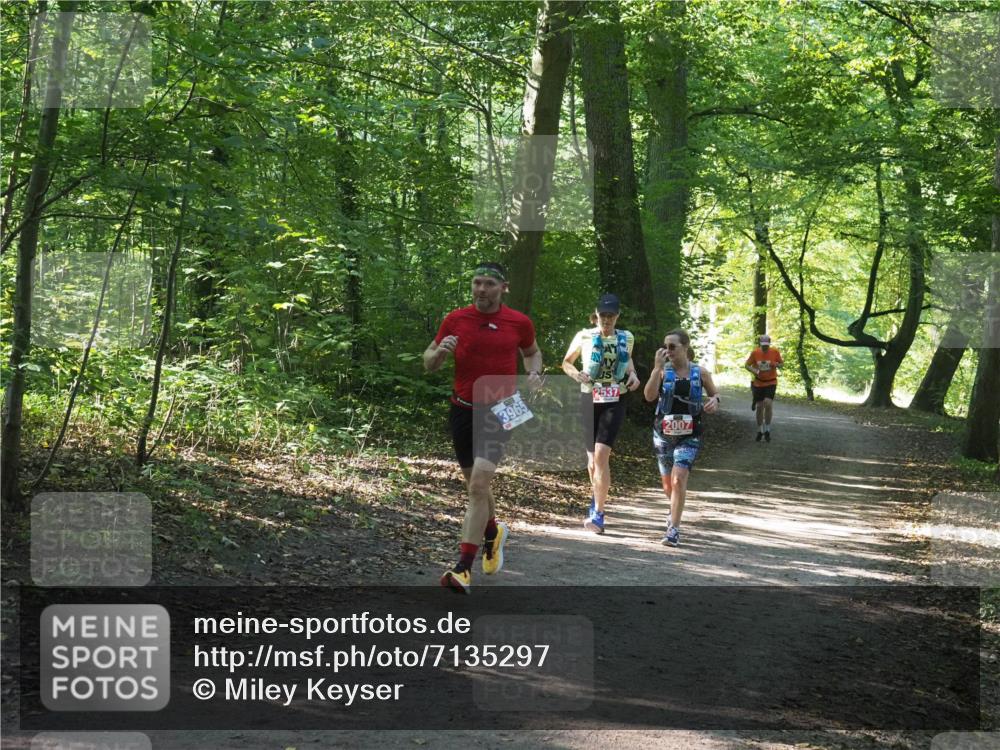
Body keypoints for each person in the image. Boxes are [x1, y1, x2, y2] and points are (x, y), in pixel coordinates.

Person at [423, 262, 543, 594]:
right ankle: (492, 531)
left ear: (503, 288)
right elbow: (428, 361)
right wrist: (439, 355)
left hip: (506, 406)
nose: (480, 289)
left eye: (488, 284)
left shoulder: (519, 322)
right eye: (476, 282)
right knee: (473, 484)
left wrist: (534, 372)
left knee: (478, 486)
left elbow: (532, 353)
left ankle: (463, 568)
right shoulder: (456, 319)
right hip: (463, 407)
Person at [561, 294, 641, 534]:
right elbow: (566, 363)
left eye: (610, 315)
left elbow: (628, 363)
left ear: (617, 316)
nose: (606, 320)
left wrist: (634, 376)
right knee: (591, 461)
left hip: (615, 398)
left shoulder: (626, 337)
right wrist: (577, 375)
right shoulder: (584, 336)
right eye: (602, 315)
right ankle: (597, 498)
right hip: (589, 397)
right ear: (596, 315)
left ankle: (599, 513)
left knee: (601, 455)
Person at [643, 329, 721, 547]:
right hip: (663, 433)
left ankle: (673, 530)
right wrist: (656, 369)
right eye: (665, 346)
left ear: (685, 348)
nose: (668, 351)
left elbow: (715, 394)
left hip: (690, 434)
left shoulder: (701, 373)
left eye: (672, 346)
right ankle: (673, 512)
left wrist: (714, 401)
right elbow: (649, 396)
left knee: (679, 479)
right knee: (668, 485)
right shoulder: (661, 371)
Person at [745, 334, 783, 442]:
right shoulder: (755, 353)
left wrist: (775, 364)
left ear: (769, 344)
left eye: (767, 345)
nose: (765, 347)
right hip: (758, 383)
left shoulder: (774, 352)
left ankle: (767, 429)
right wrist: (755, 371)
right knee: (759, 406)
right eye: (763, 345)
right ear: (760, 344)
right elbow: (746, 365)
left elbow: (781, 364)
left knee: (768, 403)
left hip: (771, 382)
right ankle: (759, 430)